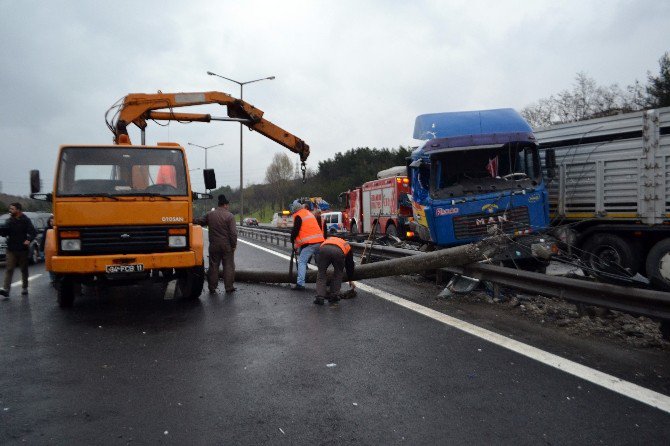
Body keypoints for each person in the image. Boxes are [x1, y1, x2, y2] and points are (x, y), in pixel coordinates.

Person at [194, 194, 237, 294]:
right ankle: (229, 287)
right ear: (225, 205)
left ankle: (212, 287)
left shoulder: (210, 214)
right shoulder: (230, 216)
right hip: (226, 246)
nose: (228, 207)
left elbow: (199, 221)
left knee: (213, 266)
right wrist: (233, 245)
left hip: (213, 246)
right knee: (228, 266)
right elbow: (233, 233)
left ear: (219, 204)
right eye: (227, 205)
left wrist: (188, 219)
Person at [0, 203, 37, 299]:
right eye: (10, 209)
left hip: (22, 250)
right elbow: (4, 233)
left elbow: (33, 232)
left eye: (12, 209)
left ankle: (25, 287)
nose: (10, 210)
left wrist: (28, 240)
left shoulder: (26, 220)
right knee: (9, 268)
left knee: (24, 269)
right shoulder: (9, 221)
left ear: (18, 210)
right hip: (11, 249)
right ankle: (6, 290)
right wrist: (2, 230)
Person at [290, 201, 324, 290]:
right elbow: (307, 230)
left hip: (311, 243)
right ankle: (325, 281)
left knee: (302, 261)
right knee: (320, 263)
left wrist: (292, 239)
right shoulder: (308, 213)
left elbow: (296, 230)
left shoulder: (298, 216)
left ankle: (300, 284)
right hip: (320, 241)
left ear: (295, 208)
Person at [314, 236, 356, 305]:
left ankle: (320, 297)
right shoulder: (346, 245)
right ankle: (334, 296)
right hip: (338, 252)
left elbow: (317, 255)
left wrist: (320, 266)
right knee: (338, 274)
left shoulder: (328, 240)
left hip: (324, 249)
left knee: (321, 274)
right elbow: (349, 264)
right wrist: (350, 279)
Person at [40, 215, 56, 284]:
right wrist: (41, 249)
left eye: (53, 221)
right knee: (50, 264)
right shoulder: (47, 229)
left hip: (56, 249)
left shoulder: (58, 228)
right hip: (49, 249)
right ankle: (52, 279)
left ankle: (57, 278)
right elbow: (43, 239)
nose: (52, 223)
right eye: (50, 221)